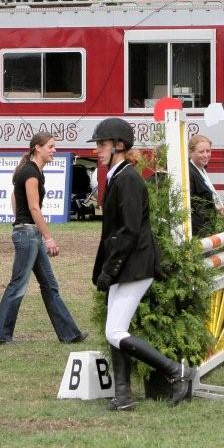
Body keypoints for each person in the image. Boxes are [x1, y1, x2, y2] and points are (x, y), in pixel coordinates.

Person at [90, 117, 191, 411]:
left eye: (102, 144)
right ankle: (123, 395)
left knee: (115, 332)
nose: (97, 150)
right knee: (114, 327)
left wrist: (110, 270)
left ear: (118, 146)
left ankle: (177, 371)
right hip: (126, 264)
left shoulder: (128, 179)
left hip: (135, 264)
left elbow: (130, 230)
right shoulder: (116, 176)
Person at [0, 132, 88, 345]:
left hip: (27, 233)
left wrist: (20, 222)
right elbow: (34, 207)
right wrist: (48, 237)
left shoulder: (28, 171)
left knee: (49, 285)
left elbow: (15, 199)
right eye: (51, 146)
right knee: (18, 285)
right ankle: (0, 335)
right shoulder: (31, 173)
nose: (54, 150)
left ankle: (70, 334)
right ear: (37, 148)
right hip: (29, 234)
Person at [187, 134, 223, 238]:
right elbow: (191, 204)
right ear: (191, 152)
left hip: (206, 226)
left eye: (208, 151)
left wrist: (216, 207)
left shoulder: (201, 169)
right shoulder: (190, 172)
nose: (206, 155)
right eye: (201, 152)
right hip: (198, 229)